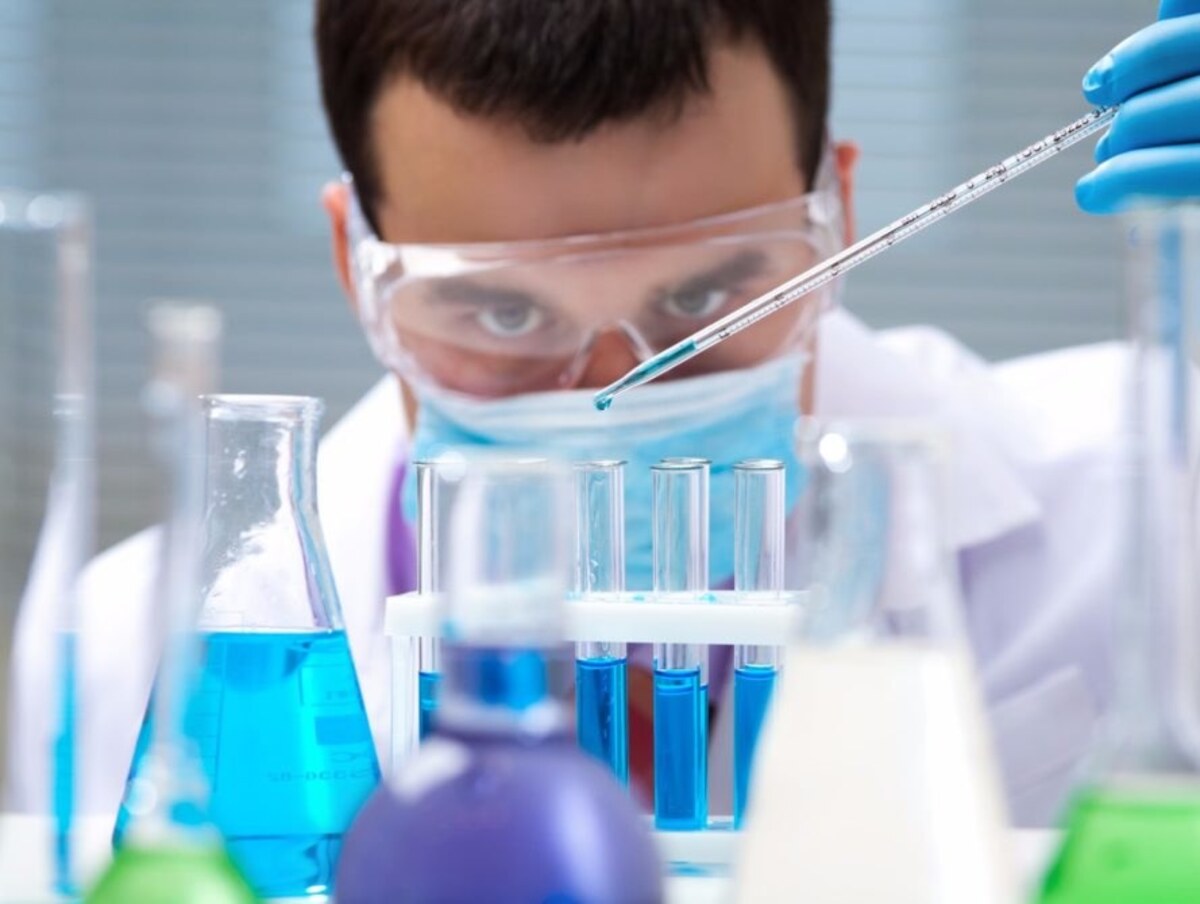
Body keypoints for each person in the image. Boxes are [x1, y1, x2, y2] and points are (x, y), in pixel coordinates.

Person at [7, 0, 1200, 827]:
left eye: (702, 296)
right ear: (350, 259)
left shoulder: (1154, 501)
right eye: (502, 315)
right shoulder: (133, 649)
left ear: (836, 211)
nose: (609, 400)